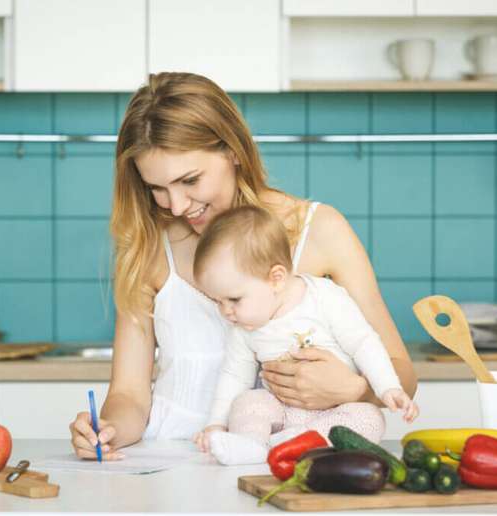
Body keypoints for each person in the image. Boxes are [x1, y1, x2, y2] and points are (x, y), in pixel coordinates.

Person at [69, 72, 417, 460]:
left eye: (190, 180)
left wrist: (355, 390)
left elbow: (403, 374)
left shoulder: (320, 230)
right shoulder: (149, 245)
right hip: (168, 465)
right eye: (157, 188)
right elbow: (129, 394)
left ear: (233, 150)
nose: (178, 206)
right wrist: (108, 431)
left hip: (288, 467)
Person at [190, 206, 418, 465]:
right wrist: (216, 424)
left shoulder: (324, 297)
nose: (225, 312)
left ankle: (297, 443)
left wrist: (388, 386)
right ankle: (251, 444)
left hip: (336, 410)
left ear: (275, 279)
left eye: (233, 299)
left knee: (369, 418)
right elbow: (233, 375)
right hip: (282, 412)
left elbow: (364, 342)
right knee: (249, 400)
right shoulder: (244, 326)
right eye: (217, 302)